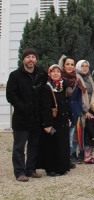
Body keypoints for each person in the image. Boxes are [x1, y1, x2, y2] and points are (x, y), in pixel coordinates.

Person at [6, 48, 46, 181]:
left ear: (36, 59)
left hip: (36, 117)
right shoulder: (15, 75)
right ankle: (19, 172)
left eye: (33, 57)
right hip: (21, 118)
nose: (31, 59)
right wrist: (23, 107)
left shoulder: (41, 73)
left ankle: (31, 169)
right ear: (23, 59)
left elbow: (45, 92)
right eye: (28, 57)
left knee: (34, 145)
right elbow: (11, 95)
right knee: (19, 147)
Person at [37, 64, 72, 177]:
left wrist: (68, 118)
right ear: (49, 73)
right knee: (52, 144)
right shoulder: (47, 87)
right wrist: (47, 124)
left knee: (62, 144)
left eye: (58, 71)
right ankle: (51, 168)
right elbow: (45, 107)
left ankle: (62, 167)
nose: (56, 73)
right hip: (52, 121)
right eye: (53, 72)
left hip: (62, 120)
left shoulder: (62, 86)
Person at [60, 56, 84, 165]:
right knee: (63, 138)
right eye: (67, 64)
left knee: (70, 137)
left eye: (72, 64)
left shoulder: (77, 80)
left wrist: (78, 110)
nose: (70, 66)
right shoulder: (59, 79)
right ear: (63, 65)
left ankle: (68, 159)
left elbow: (79, 97)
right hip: (63, 112)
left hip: (74, 112)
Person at [75, 60, 94, 155]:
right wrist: (85, 110)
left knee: (87, 130)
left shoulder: (89, 77)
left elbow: (93, 92)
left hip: (89, 107)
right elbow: (78, 97)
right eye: (82, 66)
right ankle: (78, 151)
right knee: (78, 132)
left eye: (86, 66)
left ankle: (85, 151)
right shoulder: (77, 78)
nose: (85, 68)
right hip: (81, 108)